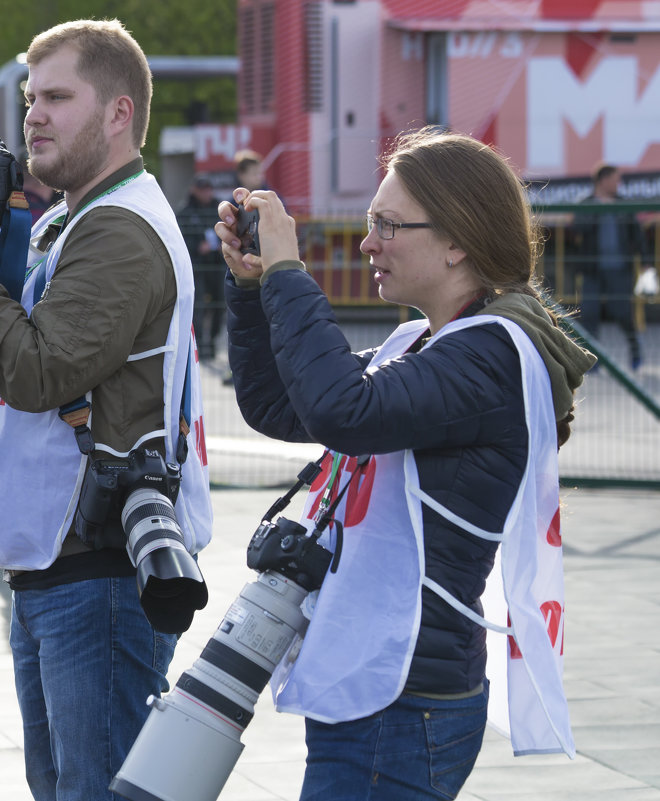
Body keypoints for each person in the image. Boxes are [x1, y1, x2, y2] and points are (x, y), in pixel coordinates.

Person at [215, 127, 593, 800]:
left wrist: (287, 271)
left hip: (401, 699)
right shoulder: (426, 341)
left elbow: (342, 412)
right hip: (383, 690)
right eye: (370, 224)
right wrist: (250, 292)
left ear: (457, 242)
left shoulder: (491, 356)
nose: (368, 244)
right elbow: (282, 404)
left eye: (388, 225)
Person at [0, 19, 212, 801]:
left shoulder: (120, 229)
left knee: (95, 792)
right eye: (31, 97)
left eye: (58, 97)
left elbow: (37, 370)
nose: (33, 114)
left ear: (119, 113)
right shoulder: (72, 220)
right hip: (59, 566)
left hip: (97, 574)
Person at [569, 163, 647, 369]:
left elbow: (638, 237)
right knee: (590, 314)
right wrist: (597, 209)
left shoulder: (623, 204)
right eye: (615, 179)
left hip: (619, 269)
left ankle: (635, 350)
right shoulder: (585, 204)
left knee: (622, 313)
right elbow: (578, 227)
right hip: (592, 270)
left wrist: (647, 263)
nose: (618, 184)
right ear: (602, 181)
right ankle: (593, 360)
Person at [176, 174, 223, 360]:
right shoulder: (185, 212)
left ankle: (211, 342)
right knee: (198, 308)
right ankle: (200, 345)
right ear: (194, 190)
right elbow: (180, 241)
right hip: (196, 268)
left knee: (220, 305)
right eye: (202, 189)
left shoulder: (218, 209)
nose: (206, 193)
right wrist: (197, 247)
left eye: (208, 189)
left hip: (217, 265)